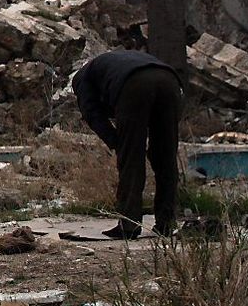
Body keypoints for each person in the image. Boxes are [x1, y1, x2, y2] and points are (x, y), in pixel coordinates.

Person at [72, 50, 182, 239]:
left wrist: (117, 142)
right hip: (170, 80)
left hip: (133, 84)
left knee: (131, 160)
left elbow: (93, 115)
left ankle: (128, 225)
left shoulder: (81, 80)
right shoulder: (112, 64)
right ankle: (166, 223)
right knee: (166, 159)